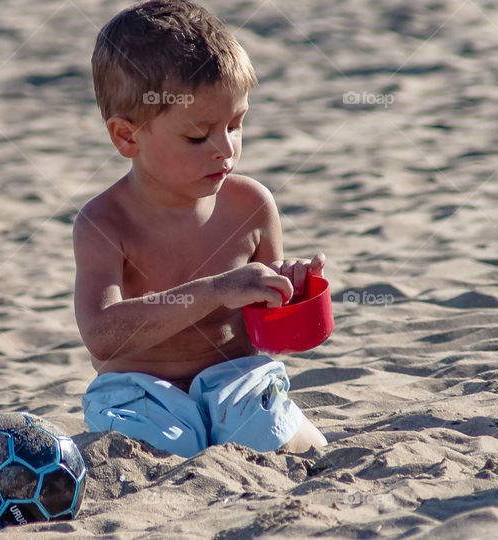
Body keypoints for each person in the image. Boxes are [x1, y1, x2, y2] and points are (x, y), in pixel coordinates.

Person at [73, 0, 327, 457]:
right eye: (197, 136)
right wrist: (215, 290)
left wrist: (291, 291)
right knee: (155, 451)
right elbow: (102, 336)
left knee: (284, 442)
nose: (225, 149)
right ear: (127, 136)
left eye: (236, 124)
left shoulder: (251, 205)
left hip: (235, 379)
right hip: (138, 389)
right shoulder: (105, 222)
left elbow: (270, 336)